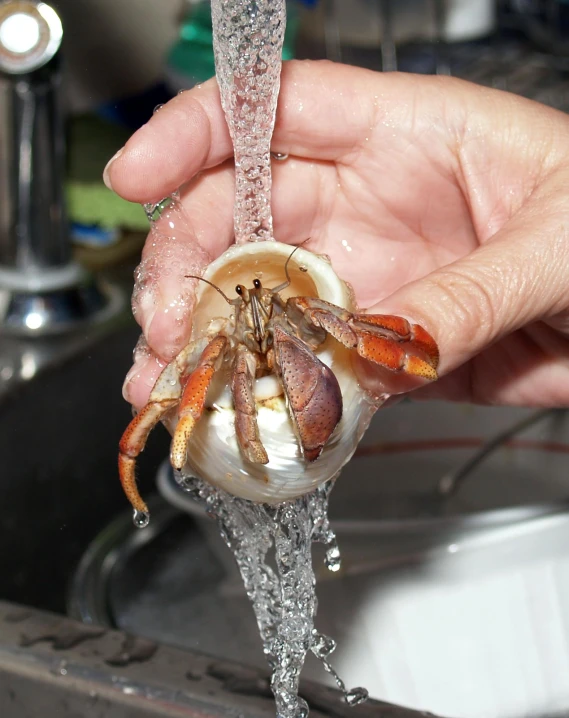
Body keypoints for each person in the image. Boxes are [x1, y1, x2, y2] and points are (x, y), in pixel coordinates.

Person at [103, 60, 569, 412]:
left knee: (337, 324)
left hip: (310, 344)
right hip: (239, 366)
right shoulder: (229, 336)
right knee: (181, 377)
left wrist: (450, 320)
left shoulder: (295, 309)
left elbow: (382, 334)